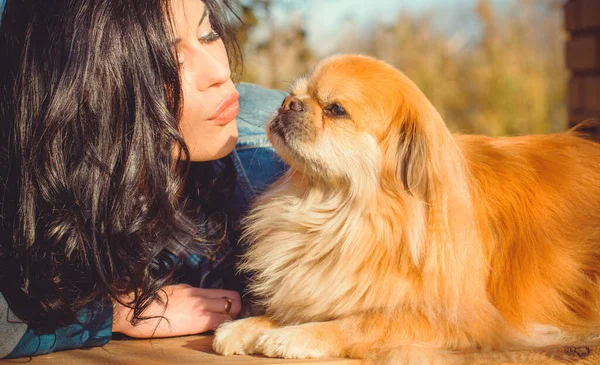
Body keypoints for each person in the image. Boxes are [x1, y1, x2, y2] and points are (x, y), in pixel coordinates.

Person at [0, 0, 286, 358]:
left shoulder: (274, 153)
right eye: (171, 60)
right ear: (89, 90)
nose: (218, 71)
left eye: (209, 34)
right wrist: (112, 315)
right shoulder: (27, 184)